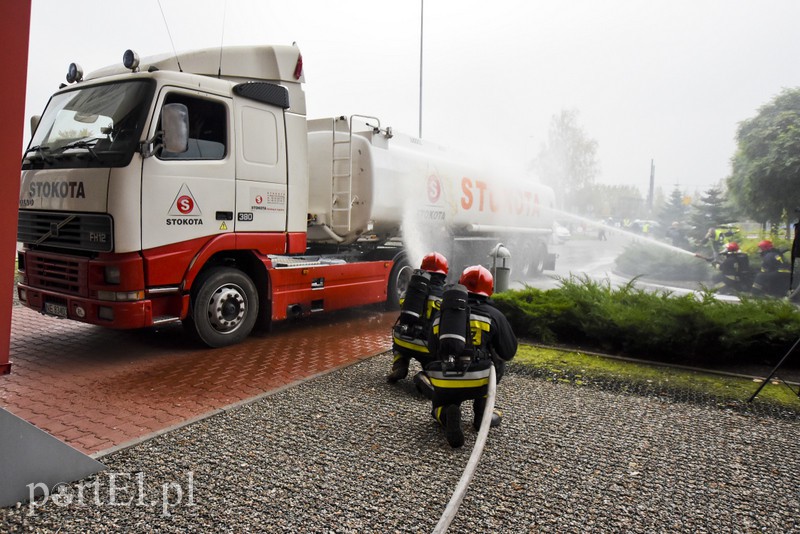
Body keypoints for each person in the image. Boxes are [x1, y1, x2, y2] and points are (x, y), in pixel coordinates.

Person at [425, 265, 518, 448]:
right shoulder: (494, 316)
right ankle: (482, 414)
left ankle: (446, 413)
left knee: (437, 408)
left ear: (460, 285)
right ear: (489, 290)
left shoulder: (442, 314)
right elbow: (508, 352)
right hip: (479, 381)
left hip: (445, 381)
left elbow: (431, 349)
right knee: (494, 362)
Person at [386, 252, 449, 397]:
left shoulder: (413, 290)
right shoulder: (445, 295)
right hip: (427, 347)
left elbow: (403, 306)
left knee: (399, 339)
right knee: (438, 358)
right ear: (444, 273)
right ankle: (427, 375)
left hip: (403, 340)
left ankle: (400, 363)